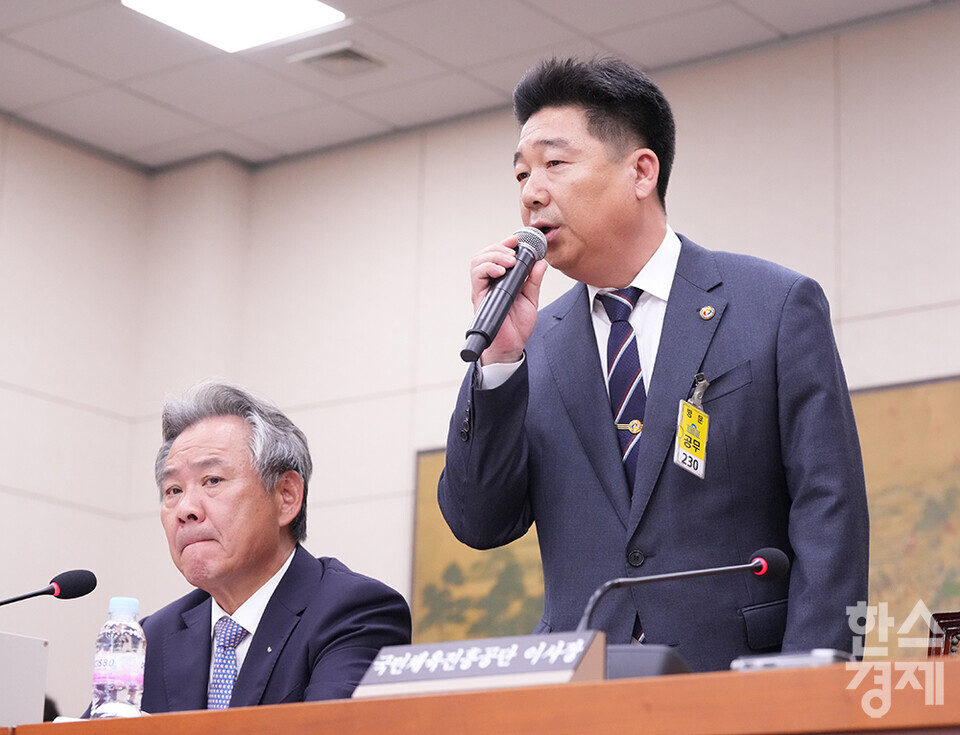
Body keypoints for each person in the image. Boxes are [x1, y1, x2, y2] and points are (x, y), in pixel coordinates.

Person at [438, 57, 869, 672]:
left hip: (741, 679)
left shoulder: (772, 306)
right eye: (521, 174)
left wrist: (809, 688)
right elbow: (479, 521)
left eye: (555, 164)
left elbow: (832, 512)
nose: (532, 192)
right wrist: (501, 361)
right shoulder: (534, 344)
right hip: (581, 686)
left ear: (641, 171)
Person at [140, 381, 411, 712]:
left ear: (286, 496)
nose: (185, 510)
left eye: (212, 481)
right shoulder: (152, 636)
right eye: (173, 490)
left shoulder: (355, 614)